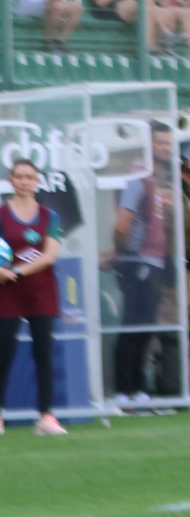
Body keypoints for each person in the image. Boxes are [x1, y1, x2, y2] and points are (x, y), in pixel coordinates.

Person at [0, 156, 66, 438]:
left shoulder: (50, 217)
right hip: (6, 290)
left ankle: (46, 416)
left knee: (43, 353)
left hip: (40, 290)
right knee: (4, 353)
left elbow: (49, 255)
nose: (24, 182)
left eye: (29, 177)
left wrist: (18, 272)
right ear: (11, 180)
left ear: (37, 182)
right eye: (19, 177)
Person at [107, 125, 177, 405]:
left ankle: (137, 388)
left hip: (153, 261)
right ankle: (126, 389)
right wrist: (119, 251)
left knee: (145, 327)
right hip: (137, 262)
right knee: (132, 327)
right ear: (148, 146)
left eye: (168, 143)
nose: (166, 148)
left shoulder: (157, 179)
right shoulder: (138, 177)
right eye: (160, 142)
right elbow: (123, 221)